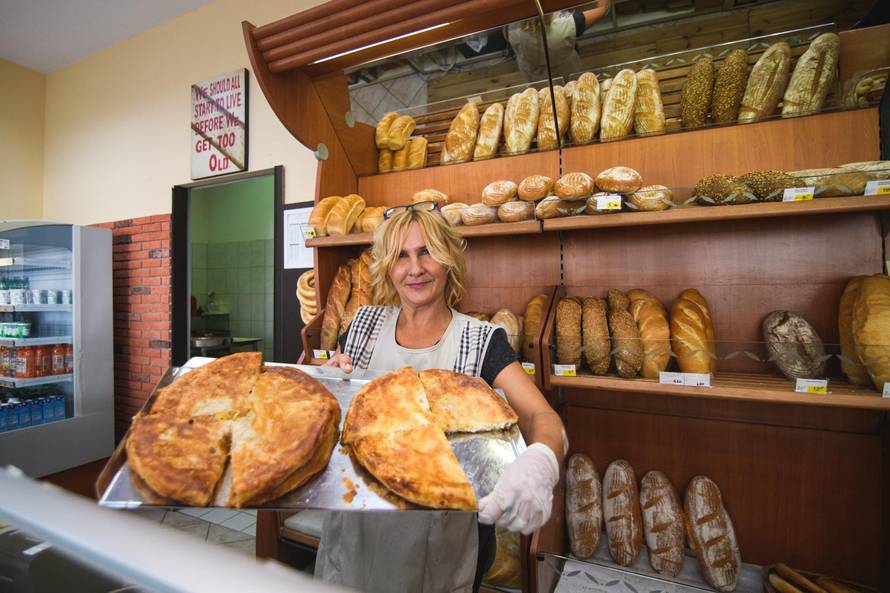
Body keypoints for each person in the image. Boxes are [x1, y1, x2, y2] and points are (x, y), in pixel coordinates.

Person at [315, 201, 567, 593]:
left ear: (448, 259)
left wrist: (541, 463)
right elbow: (344, 424)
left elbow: (542, 418)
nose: (414, 268)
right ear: (387, 266)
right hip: (356, 536)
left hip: (439, 548)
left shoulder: (481, 341)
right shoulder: (362, 326)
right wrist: (332, 385)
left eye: (427, 252)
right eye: (401, 256)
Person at [505, 1, 611, 81]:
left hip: (533, 80)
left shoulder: (510, 28)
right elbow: (602, 9)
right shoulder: (565, 25)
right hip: (567, 78)